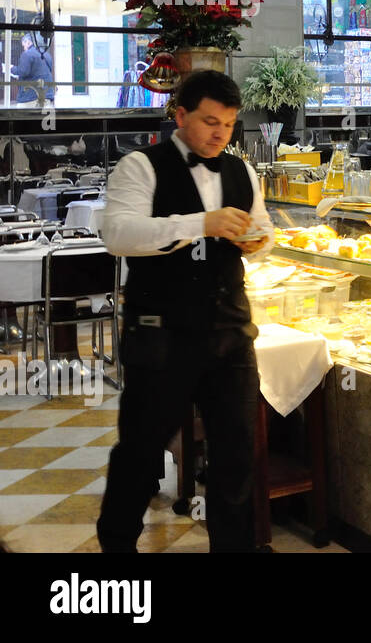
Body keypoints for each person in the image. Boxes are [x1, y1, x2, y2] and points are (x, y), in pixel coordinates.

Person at [97, 70, 272, 553]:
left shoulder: (241, 171)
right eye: (210, 122)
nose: (220, 134)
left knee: (236, 455)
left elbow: (263, 230)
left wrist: (256, 240)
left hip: (231, 332)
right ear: (180, 116)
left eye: (230, 125)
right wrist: (202, 223)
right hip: (162, 334)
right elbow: (119, 235)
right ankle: (116, 548)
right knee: (141, 450)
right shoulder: (141, 165)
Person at [12, 33, 55, 108]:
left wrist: (12, 69)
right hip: (47, 95)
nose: (24, 48)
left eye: (24, 45)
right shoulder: (46, 54)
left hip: (30, 96)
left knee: (19, 115)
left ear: (28, 42)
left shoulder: (27, 54)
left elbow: (23, 72)